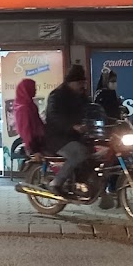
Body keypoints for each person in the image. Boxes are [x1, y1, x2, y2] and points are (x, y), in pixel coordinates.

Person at [44, 64, 91, 196]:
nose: (82, 86)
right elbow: (54, 116)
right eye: (79, 83)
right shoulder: (57, 95)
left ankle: (82, 183)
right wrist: (72, 126)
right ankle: (56, 183)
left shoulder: (82, 96)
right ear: (71, 82)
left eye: (83, 83)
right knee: (80, 153)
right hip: (57, 138)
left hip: (76, 136)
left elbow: (92, 110)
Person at [13, 77, 45, 155]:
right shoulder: (24, 108)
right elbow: (26, 130)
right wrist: (34, 149)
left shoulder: (28, 105)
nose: (35, 90)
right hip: (34, 143)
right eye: (33, 88)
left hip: (36, 141)